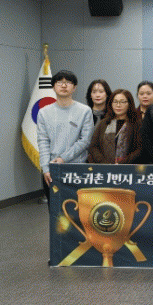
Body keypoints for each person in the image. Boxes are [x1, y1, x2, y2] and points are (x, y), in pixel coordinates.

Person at [37, 70, 94, 204]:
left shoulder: (85, 111)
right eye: (59, 82)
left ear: (74, 87)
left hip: (77, 168)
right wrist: (46, 169)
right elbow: (43, 141)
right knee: (55, 210)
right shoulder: (43, 112)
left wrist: (63, 158)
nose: (63, 85)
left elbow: (85, 140)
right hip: (52, 169)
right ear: (53, 87)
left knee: (77, 209)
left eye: (68, 82)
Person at [87, 89, 142, 164]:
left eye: (122, 102)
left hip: (128, 167)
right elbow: (93, 147)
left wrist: (122, 164)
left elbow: (139, 149)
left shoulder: (136, 124)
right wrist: (105, 163)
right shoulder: (104, 123)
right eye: (115, 102)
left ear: (129, 103)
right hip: (104, 167)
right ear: (111, 103)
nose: (118, 105)